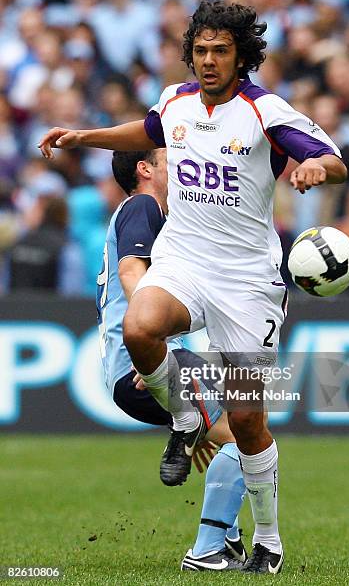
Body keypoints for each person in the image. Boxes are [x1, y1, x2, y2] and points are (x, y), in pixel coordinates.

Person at [39, 1, 347, 574]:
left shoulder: (264, 110)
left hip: (247, 281)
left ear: (241, 56)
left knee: (248, 421)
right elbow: (148, 129)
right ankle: (184, 418)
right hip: (185, 260)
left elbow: (334, 160)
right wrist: (86, 136)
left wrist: (312, 169)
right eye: (200, 50)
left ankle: (269, 542)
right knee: (140, 326)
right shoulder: (176, 100)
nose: (208, 61)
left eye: (220, 51)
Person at [98, 148, 247, 570]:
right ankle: (208, 550)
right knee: (247, 433)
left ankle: (227, 542)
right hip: (141, 363)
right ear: (145, 169)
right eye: (168, 158)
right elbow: (131, 271)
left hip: (140, 365)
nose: (179, 163)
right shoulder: (142, 205)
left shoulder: (164, 220)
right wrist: (153, 352)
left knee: (238, 430)